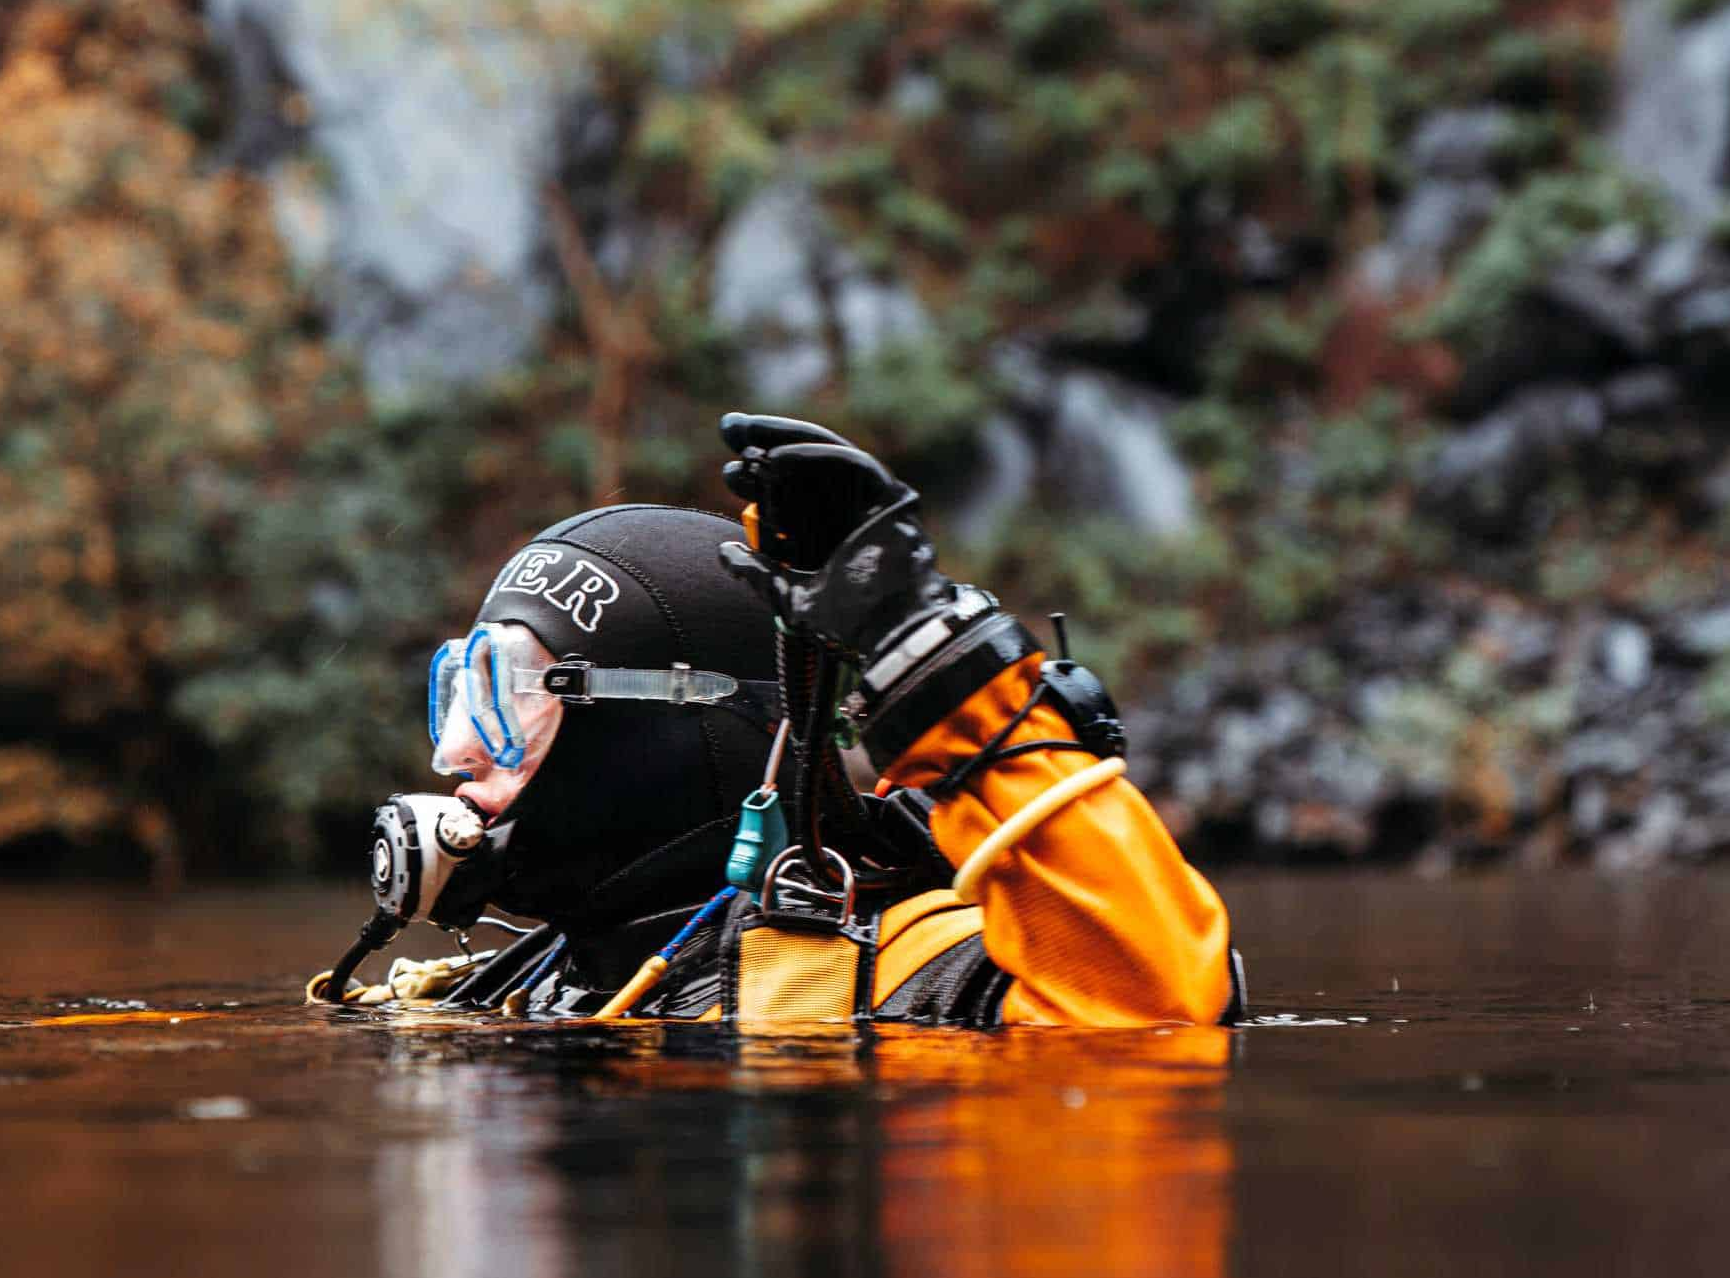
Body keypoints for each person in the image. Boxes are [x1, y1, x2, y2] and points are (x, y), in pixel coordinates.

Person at [315, 413, 1242, 1027]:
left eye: (509, 693)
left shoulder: (897, 967)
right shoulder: (529, 978)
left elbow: (1157, 1009)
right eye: (459, 690)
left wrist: (938, 666)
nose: (456, 748)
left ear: (665, 734)